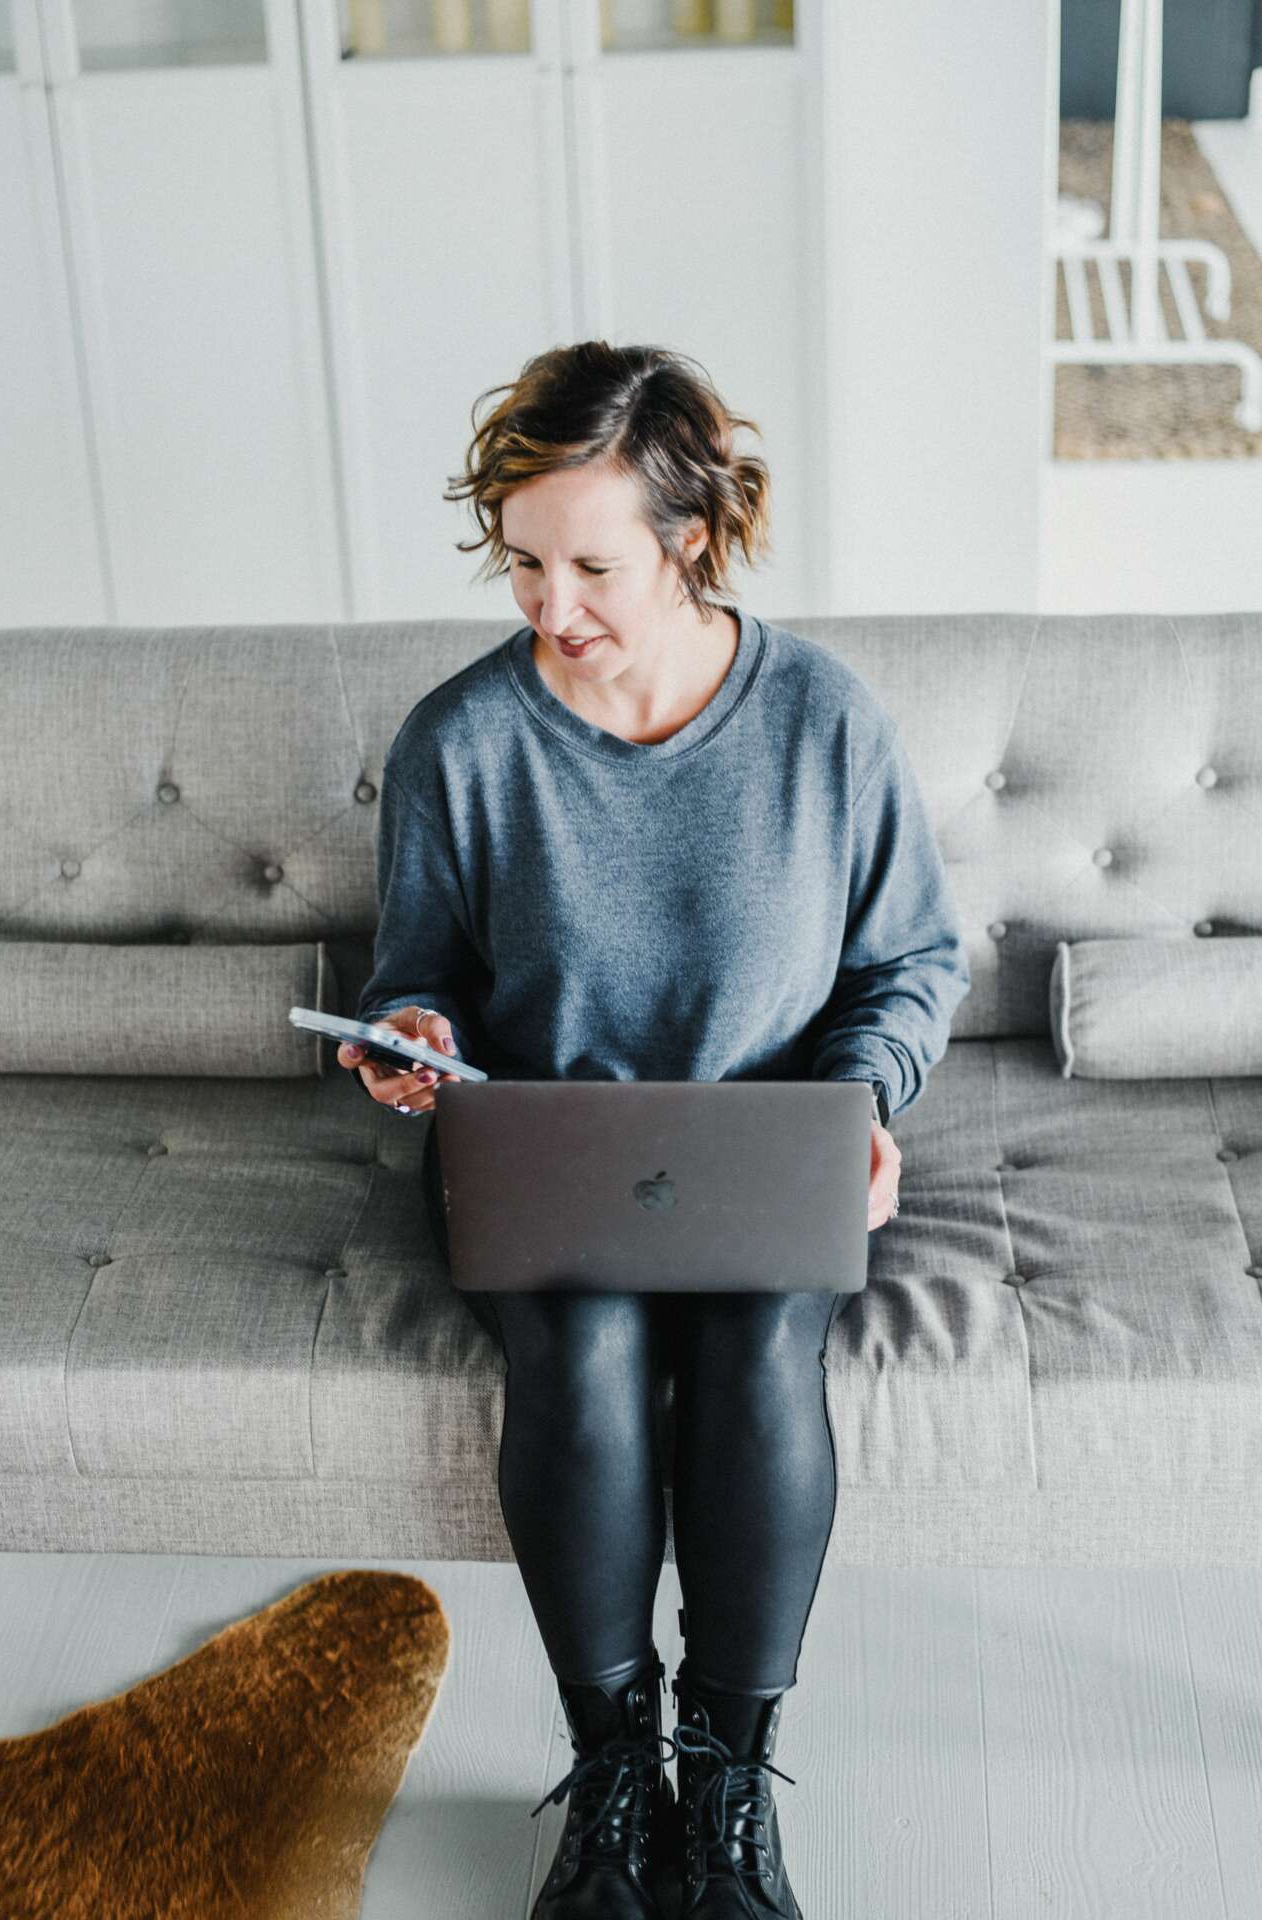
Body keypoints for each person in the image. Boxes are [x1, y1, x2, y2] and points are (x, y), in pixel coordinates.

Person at [338, 341, 971, 1919]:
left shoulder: (820, 717)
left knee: (759, 1349)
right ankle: (614, 1772)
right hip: (544, 1155)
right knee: (580, 1348)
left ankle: (728, 1777)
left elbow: (910, 962)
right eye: (522, 562)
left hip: (765, 1146)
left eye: (593, 567)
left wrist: (862, 1100)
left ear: (688, 539)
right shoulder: (460, 740)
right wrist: (414, 1039)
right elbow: (417, 975)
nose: (551, 606)